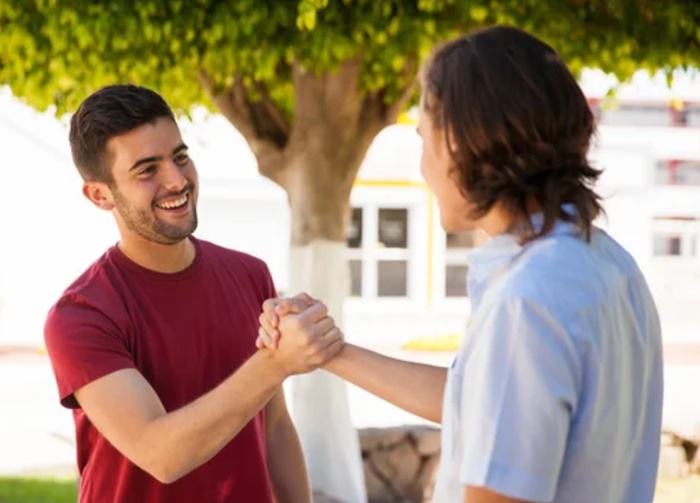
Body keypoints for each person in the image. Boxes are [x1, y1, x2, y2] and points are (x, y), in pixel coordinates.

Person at [257, 25, 664, 503]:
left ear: (459, 141)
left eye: (423, 140)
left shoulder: (526, 301)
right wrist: (330, 351)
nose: (422, 167)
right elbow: (476, 399)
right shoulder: (609, 264)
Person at [43, 84, 343, 503]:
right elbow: (161, 453)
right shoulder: (82, 315)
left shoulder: (249, 274)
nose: (177, 180)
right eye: (147, 169)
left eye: (180, 157)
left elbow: (273, 427)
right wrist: (275, 363)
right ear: (100, 194)